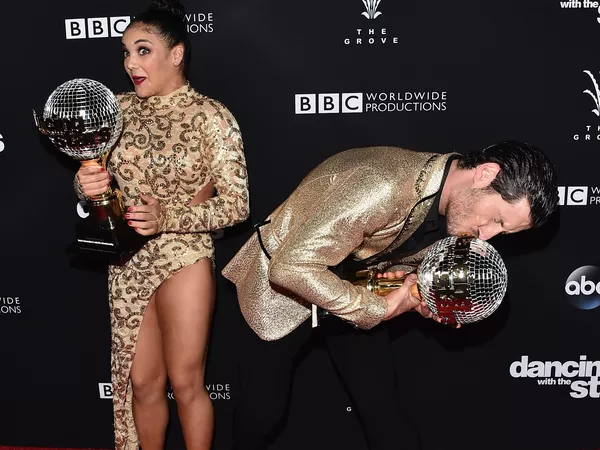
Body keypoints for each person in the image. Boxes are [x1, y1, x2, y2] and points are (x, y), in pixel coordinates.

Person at [222, 141, 557, 450]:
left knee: (382, 407)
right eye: (496, 219)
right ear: (486, 173)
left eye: (503, 232)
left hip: (353, 288)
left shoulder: (457, 212)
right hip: (280, 294)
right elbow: (290, 267)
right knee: (262, 412)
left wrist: (416, 294)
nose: (487, 237)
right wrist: (379, 308)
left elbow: (386, 267)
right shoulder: (383, 183)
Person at [74, 1, 250, 449]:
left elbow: (237, 205)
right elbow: (99, 194)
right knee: (143, 385)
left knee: (187, 383)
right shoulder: (115, 111)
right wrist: (86, 185)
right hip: (127, 261)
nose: (130, 62)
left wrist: (168, 216)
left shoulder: (213, 117)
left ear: (176, 54)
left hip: (184, 255)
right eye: (126, 52)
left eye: (143, 50)